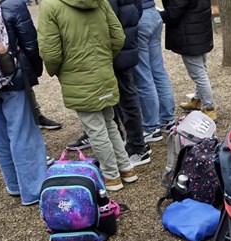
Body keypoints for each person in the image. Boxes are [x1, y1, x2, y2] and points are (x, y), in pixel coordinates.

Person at [38, 0, 137, 192]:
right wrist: (104, 58)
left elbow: (51, 53)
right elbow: (118, 36)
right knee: (109, 123)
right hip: (103, 70)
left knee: (96, 128)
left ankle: (111, 175)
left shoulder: (50, 6)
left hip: (77, 74)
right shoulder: (100, 1)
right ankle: (126, 168)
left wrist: (59, 70)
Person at [0, 0, 48, 205]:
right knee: (22, 131)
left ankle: (14, 184)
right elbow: (30, 42)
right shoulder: (11, 4)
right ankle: (33, 188)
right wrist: (34, 71)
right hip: (10, 73)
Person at [66, 0, 151, 168]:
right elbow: (136, 10)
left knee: (124, 97)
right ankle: (128, 144)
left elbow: (102, 19)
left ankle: (136, 147)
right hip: (122, 42)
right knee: (122, 96)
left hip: (113, 46)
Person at [160, 0, 218, 122]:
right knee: (201, 69)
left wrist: (156, 15)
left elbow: (172, 14)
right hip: (200, 33)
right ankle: (197, 99)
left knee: (198, 74)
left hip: (191, 37)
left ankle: (209, 108)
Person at [133, 0, 175, 142]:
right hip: (153, 13)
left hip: (139, 17)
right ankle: (168, 119)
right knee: (158, 70)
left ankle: (151, 127)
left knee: (143, 75)